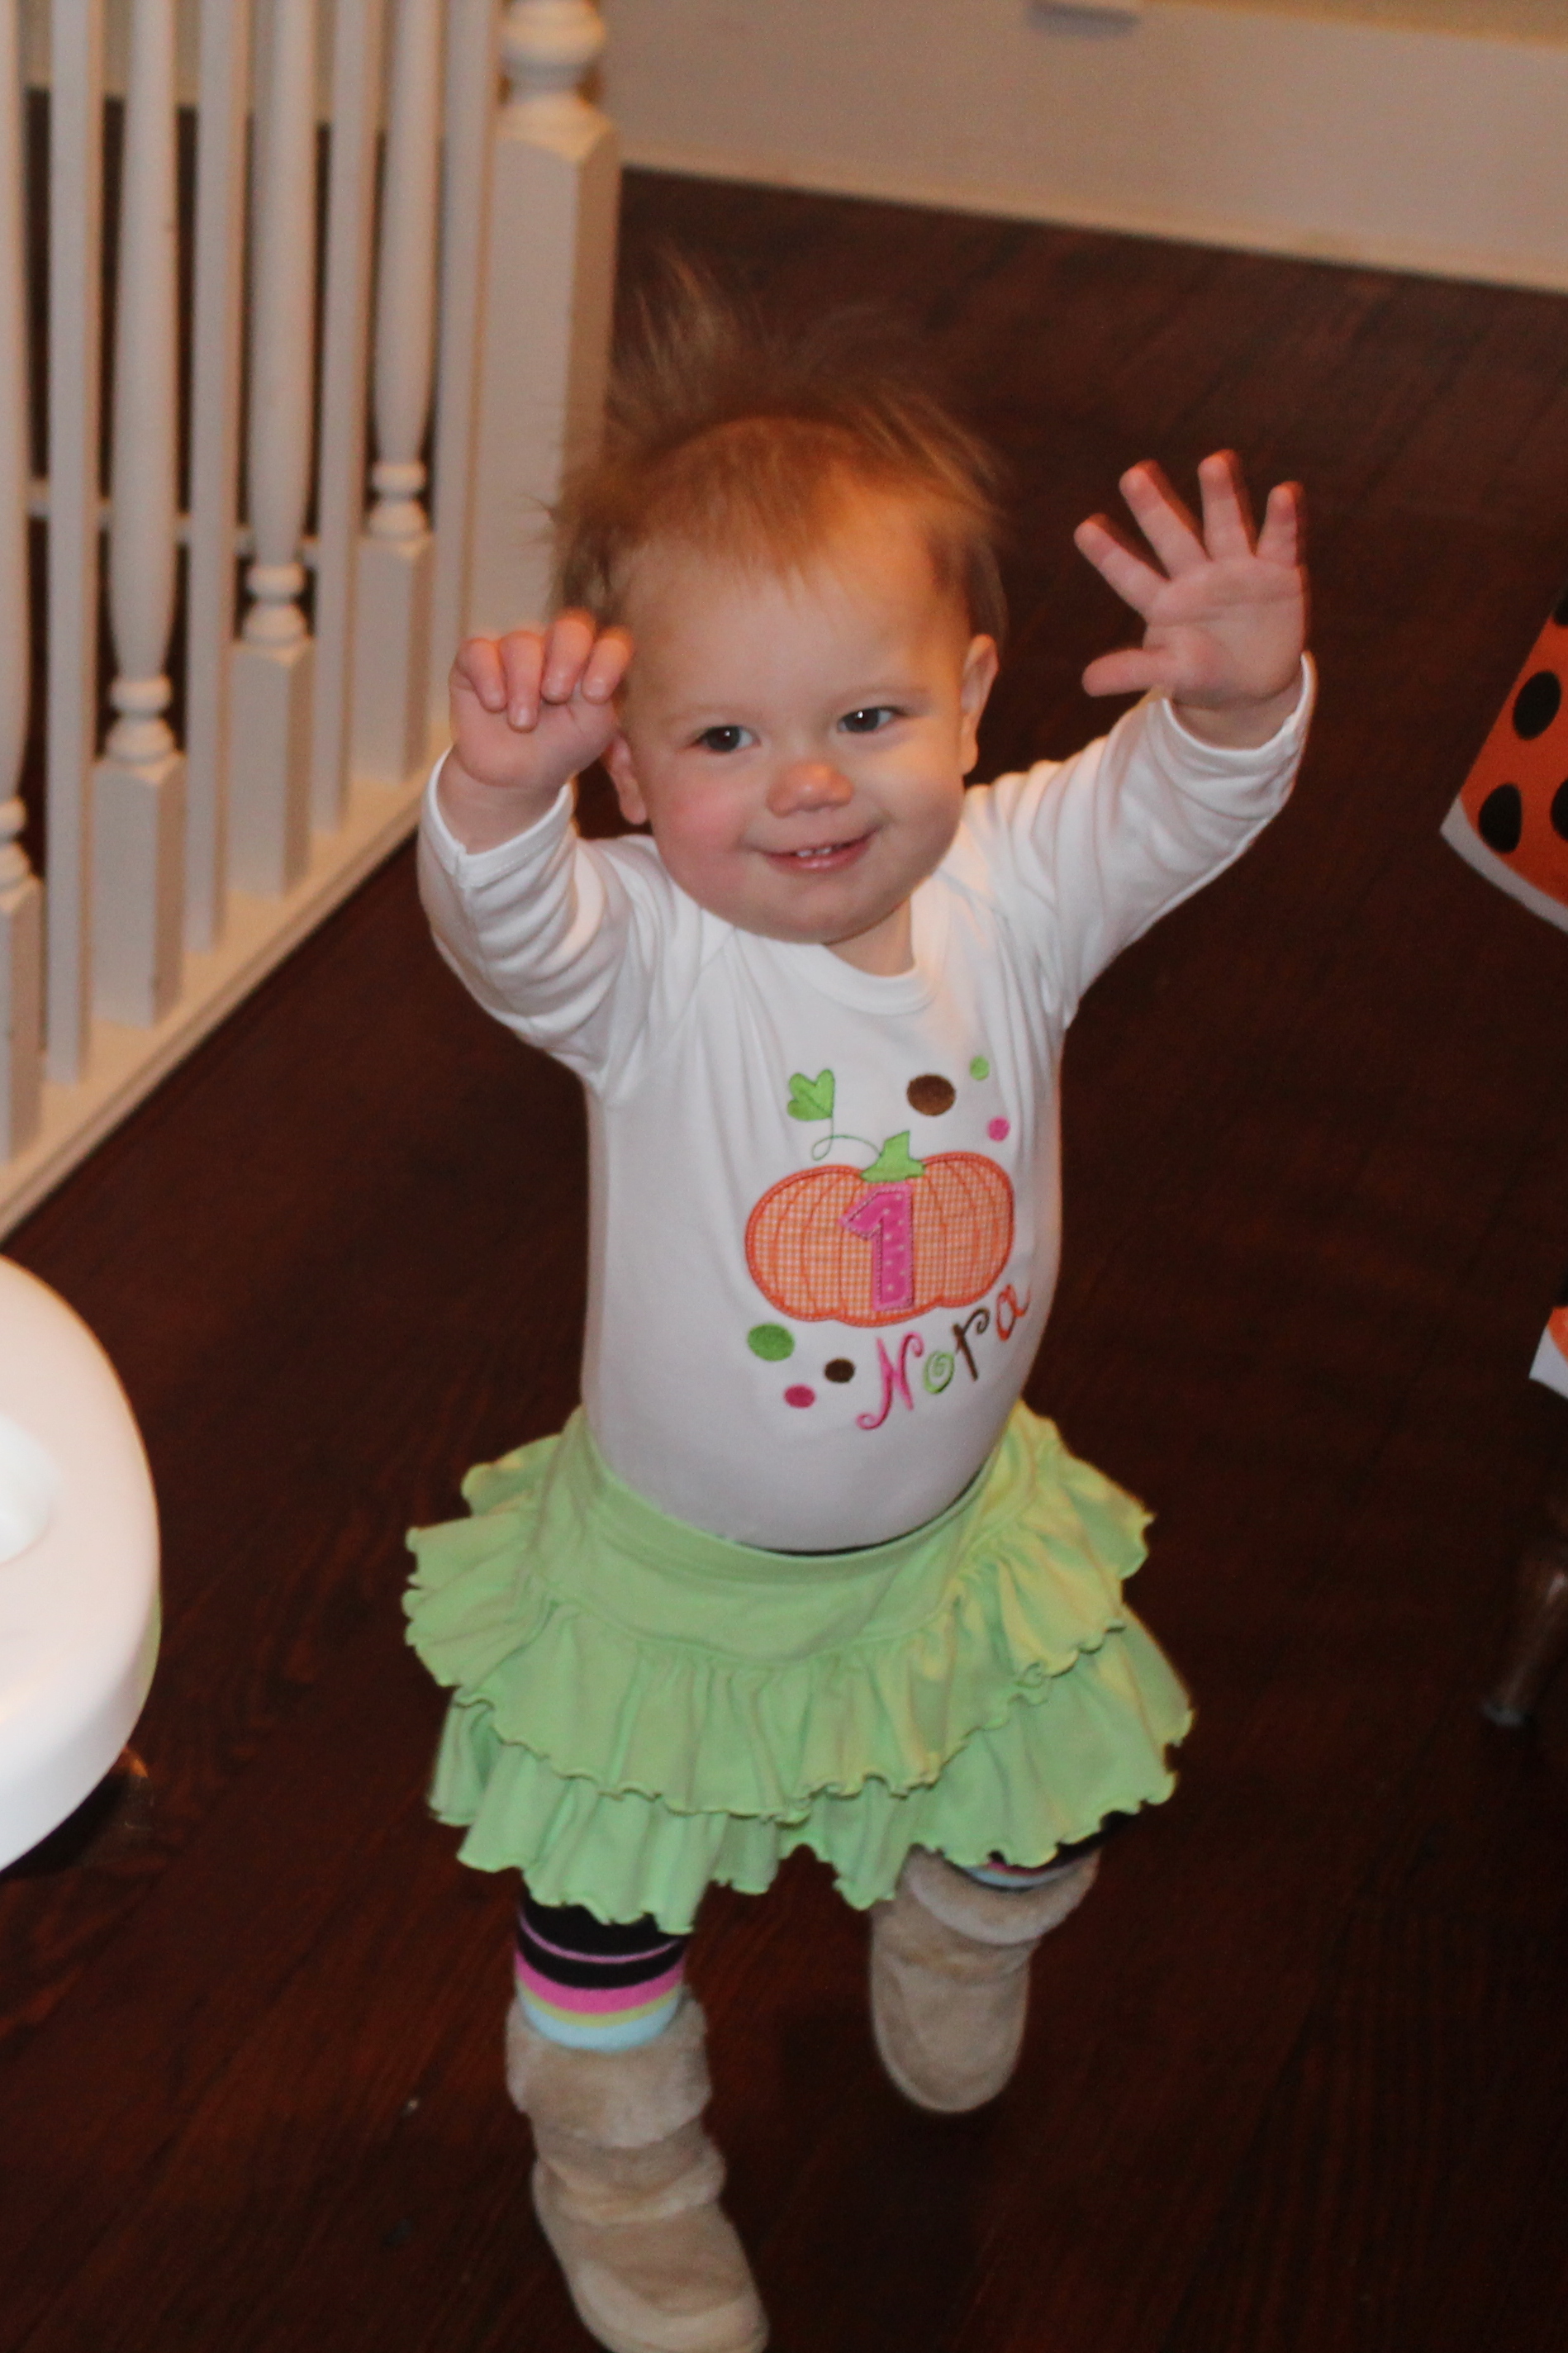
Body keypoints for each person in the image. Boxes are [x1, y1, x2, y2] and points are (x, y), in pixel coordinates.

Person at [406, 283, 1311, 2353]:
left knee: (1040, 1795)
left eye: (868, 714)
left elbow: (1183, 800)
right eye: (724, 739)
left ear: (972, 692)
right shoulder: (646, 954)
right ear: (631, 766)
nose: (806, 783)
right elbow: (508, 930)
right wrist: (495, 797)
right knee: (606, 1900)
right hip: (675, 1590)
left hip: (951, 1541)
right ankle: (619, 2162)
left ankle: (960, 1924)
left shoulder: (1020, 882)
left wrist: (1242, 695)